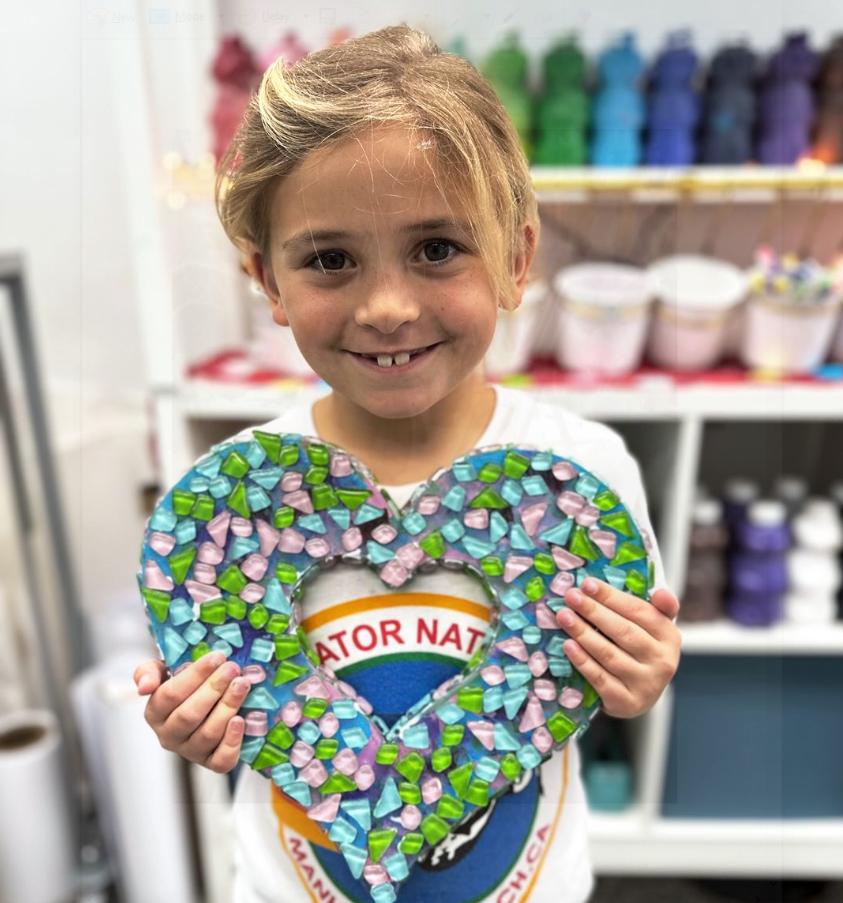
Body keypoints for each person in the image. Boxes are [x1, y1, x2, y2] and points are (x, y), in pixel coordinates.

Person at [133, 24, 682, 903]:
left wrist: (640, 678)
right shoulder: (240, 502)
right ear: (268, 282)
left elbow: (600, 683)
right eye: (330, 260)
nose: (387, 307)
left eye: (436, 249)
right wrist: (196, 726)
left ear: (513, 257)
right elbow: (236, 704)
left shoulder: (581, 470)